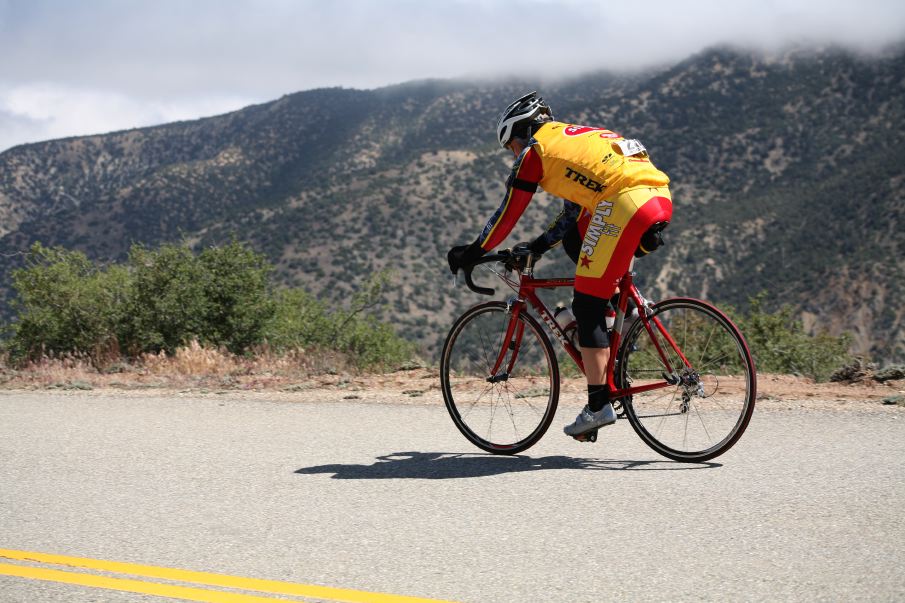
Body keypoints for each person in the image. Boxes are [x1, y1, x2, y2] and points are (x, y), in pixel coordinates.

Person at [447, 91, 672, 439]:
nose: (513, 155)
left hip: (623, 202)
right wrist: (535, 247)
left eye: (511, 146)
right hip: (656, 197)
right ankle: (623, 316)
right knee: (576, 241)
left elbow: (508, 214)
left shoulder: (535, 152)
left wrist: (475, 249)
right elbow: (573, 216)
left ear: (521, 132)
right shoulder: (574, 141)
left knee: (586, 303)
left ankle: (597, 406)